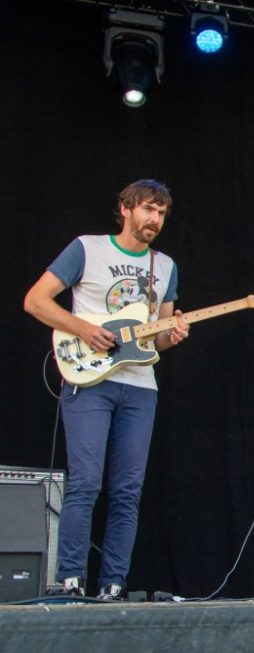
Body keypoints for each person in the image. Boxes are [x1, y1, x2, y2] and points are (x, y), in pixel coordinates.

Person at [24, 179, 190, 599]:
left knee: (127, 491)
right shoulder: (87, 248)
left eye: (161, 213)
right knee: (85, 483)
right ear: (126, 208)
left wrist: (174, 334)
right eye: (148, 209)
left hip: (140, 387)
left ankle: (113, 584)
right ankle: (70, 581)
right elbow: (36, 300)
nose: (155, 219)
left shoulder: (164, 266)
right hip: (89, 381)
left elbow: (156, 340)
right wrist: (83, 328)